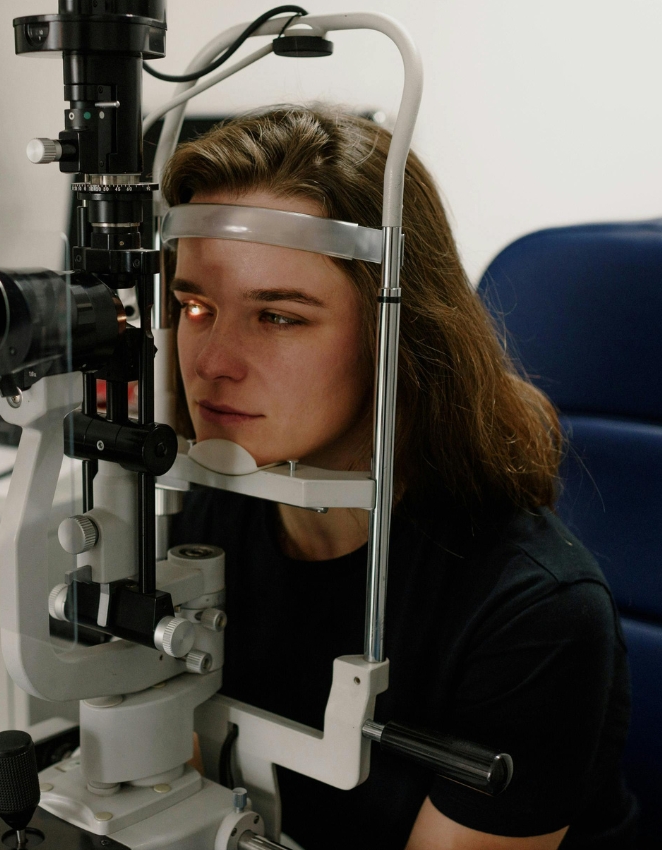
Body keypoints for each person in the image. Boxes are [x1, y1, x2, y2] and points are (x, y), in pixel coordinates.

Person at [163, 107, 637, 849]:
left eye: (279, 317)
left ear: (401, 331)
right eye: (195, 306)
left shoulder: (534, 612)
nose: (211, 361)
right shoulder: (207, 519)